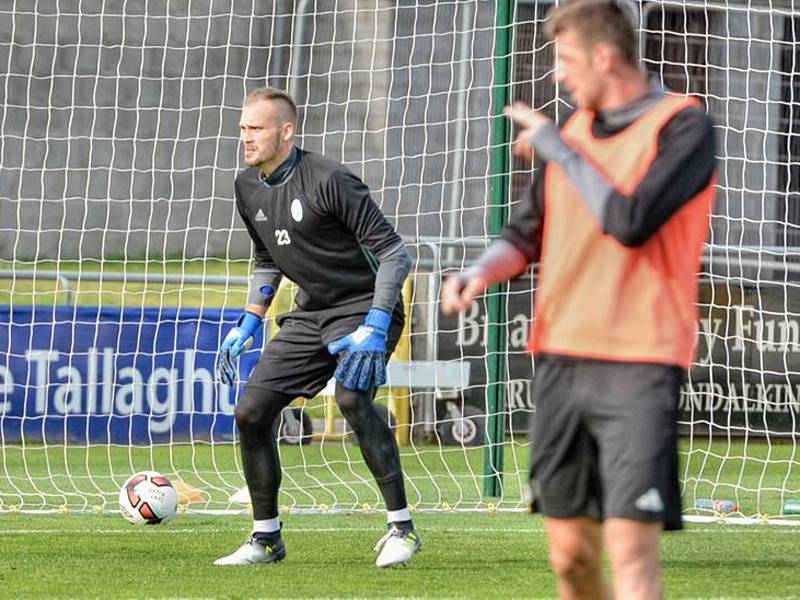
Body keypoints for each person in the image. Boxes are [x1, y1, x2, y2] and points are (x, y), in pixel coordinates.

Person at [441, 1, 716, 598]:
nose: (556, 75)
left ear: (603, 55)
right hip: (561, 361)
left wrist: (560, 150)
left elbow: (631, 219)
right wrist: (479, 274)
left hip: (640, 364)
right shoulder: (569, 133)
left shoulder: (683, 125)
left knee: (631, 554)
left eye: (564, 60)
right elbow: (526, 233)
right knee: (570, 559)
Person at [214, 87, 420, 568]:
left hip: (368, 307)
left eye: (256, 128)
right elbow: (268, 258)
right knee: (250, 412)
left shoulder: (331, 179)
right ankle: (266, 539)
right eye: (243, 128)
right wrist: (250, 319)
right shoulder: (246, 186)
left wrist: (374, 323)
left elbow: (394, 254)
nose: (245, 137)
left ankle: (401, 530)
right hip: (312, 312)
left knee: (351, 398)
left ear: (286, 132)